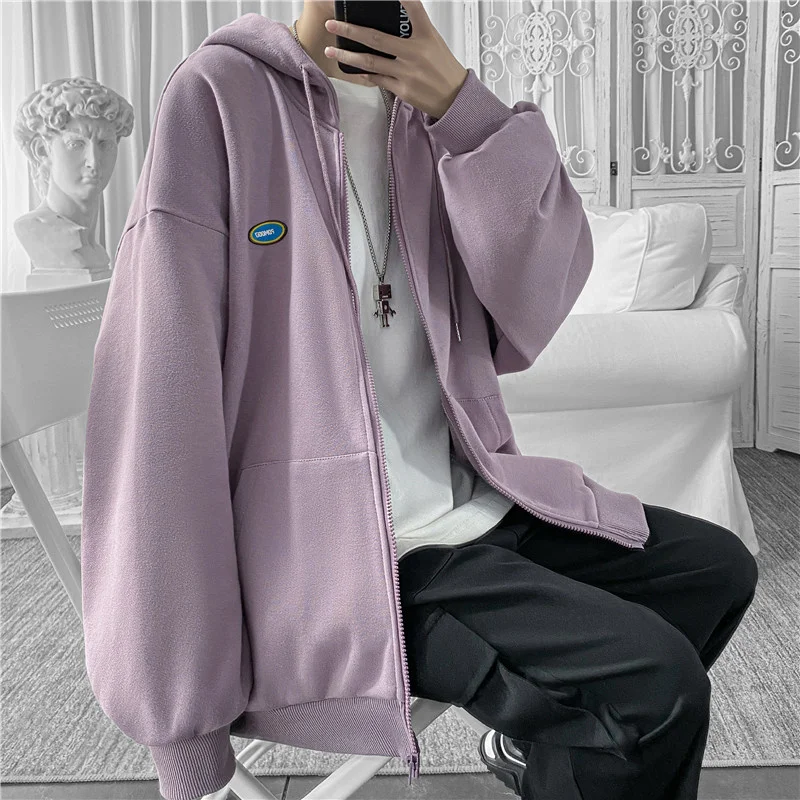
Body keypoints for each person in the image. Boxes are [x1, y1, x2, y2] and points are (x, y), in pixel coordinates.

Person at [80, 3, 759, 799]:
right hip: (342, 564)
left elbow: (538, 302)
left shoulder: (423, 112)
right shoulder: (219, 95)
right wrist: (182, 727)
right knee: (653, 687)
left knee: (716, 571)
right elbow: (159, 413)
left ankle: (542, 751)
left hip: (473, 499)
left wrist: (463, 109)